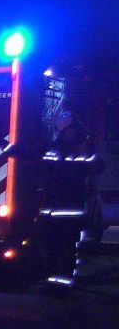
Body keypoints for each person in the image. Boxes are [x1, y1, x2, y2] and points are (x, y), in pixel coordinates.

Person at [37, 112, 105, 289]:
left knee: (60, 249)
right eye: (75, 129)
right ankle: (57, 284)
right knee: (62, 249)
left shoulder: (63, 149)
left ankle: (57, 284)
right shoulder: (63, 151)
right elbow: (91, 168)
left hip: (60, 212)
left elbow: (97, 167)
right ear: (66, 130)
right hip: (63, 211)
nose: (79, 132)